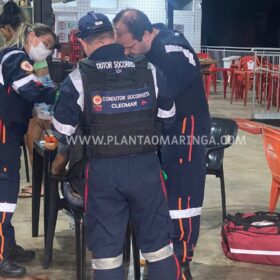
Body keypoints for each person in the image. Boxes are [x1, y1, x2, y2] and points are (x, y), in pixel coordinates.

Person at [51, 11, 181, 280]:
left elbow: (62, 131)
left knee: (108, 255)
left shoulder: (77, 79)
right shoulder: (149, 70)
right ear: (112, 36)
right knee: (159, 248)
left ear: (85, 43)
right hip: (146, 168)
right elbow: (169, 117)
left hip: (102, 172)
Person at [113, 9, 211, 280]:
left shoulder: (171, 55)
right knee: (166, 190)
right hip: (168, 130)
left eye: (130, 47)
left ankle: (180, 262)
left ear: (145, 34)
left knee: (182, 196)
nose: (127, 53)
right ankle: (165, 256)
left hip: (185, 131)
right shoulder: (153, 41)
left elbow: (159, 100)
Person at [0, 22, 56, 277]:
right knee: (4, 194)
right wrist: (55, 92)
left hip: (10, 132)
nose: (47, 50)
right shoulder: (16, 57)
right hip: (3, 132)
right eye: (46, 44)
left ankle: (7, 246)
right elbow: (31, 89)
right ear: (31, 36)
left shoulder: (13, 58)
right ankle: (2, 254)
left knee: (9, 188)